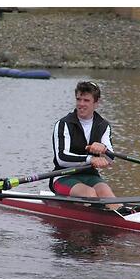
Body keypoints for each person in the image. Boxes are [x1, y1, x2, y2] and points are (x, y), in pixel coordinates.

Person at [51, 81, 118, 210]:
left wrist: (104, 150)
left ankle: (122, 218)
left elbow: (110, 159)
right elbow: (61, 158)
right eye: (78, 99)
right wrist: (90, 159)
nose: (81, 104)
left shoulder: (103, 126)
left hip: (90, 175)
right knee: (90, 194)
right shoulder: (64, 124)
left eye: (86, 100)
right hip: (64, 176)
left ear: (96, 103)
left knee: (108, 196)